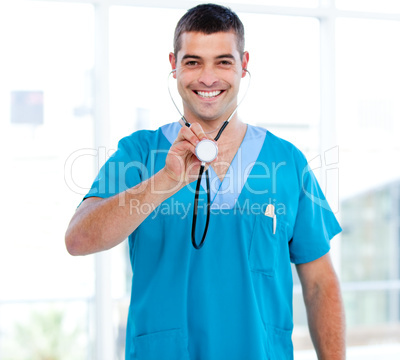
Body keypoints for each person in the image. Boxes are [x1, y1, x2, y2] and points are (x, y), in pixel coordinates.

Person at [65, 3, 345, 359]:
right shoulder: (138, 154)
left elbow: (320, 283)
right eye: (193, 61)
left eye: (223, 62)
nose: (208, 78)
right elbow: (78, 239)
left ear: (244, 65)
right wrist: (165, 181)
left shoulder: (287, 161)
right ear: (174, 65)